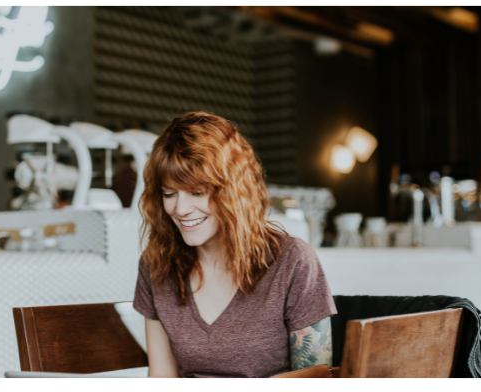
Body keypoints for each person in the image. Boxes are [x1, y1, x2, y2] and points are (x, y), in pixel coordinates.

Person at [133, 112, 337, 378]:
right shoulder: (156, 264)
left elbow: (316, 379)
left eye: (197, 192)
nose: (181, 209)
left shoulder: (293, 261)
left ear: (233, 190)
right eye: (169, 193)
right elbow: (161, 378)